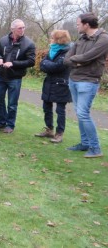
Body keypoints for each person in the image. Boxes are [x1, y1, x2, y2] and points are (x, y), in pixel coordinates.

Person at [64, 12, 108, 158]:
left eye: (78, 24)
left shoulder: (103, 39)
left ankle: (95, 148)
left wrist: (77, 60)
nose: (77, 26)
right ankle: (85, 143)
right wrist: (78, 61)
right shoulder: (81, 38)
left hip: (88, 81)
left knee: (83, 113)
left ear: (86, 24)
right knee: (79, 113)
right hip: (74, 80)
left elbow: (89, 56)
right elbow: (66, 59)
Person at [0, 19, 35, 134]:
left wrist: (13, 63)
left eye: (24, 27)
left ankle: (10, 125)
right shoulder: (3, 40)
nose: (22, 30)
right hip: (0, 76)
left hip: (15, 78)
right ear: (12, 29)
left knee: (12, 103)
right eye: (20, 28)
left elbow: (31, 61)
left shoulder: (29, 44)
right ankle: (1, 122)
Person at [34, 30, 72, 143]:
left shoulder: (68, 52)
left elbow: (58, 67)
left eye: (52, 37)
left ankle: (59, 133)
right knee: (46, 107)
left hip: (62, 84)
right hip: (49, 83)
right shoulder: (52, 50)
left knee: (60, 110)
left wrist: (48, 65)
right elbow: (42, 64)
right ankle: (49, 129)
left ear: (59, 39)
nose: (50, 39)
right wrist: (48, 65)